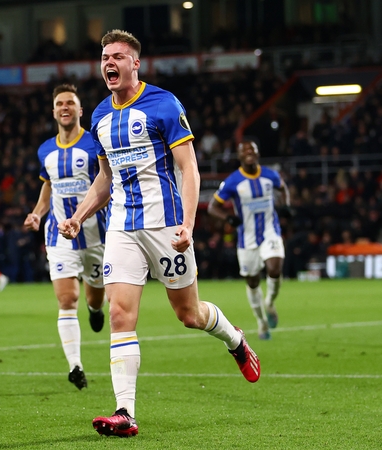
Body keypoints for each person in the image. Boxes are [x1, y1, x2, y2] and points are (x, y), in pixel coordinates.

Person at [58, 29, 260, 438]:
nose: (109, 63)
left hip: (166, 225)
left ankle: (235, 339)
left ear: (136, 62)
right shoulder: (98, 115)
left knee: (189, 314)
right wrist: (80, 214)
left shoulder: (164, 104)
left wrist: (188, 222)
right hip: (122, 227)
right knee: (119, 313)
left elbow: (189, 168)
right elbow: (104, 178)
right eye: (104, 58)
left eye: (117, 56)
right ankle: (125, 412)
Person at [24, 83, 108, 390]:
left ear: (79, 110)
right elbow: (48, 187)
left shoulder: (95, 144)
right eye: (60, 103)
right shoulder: (45, 150)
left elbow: (107, 184)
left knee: (94, 297)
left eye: (70, 103)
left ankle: (96, 309)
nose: (65, 107)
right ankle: (75, 366)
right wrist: (37, 213)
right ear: (54, 111)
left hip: (97, 236)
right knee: (67, 298)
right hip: (60, 238)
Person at [207, 140, 290, 340]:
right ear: (240, 156)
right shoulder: (233, 181)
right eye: (245, 151)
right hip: (247, 239)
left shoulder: (270, 175)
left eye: (252, 149)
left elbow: (283, 188)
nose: (249, 153)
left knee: (274, 268)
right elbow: (212, 207)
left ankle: (269, 302)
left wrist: (286, 205)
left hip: (271, 231)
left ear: (258, 153)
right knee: (252, 281)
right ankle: (261, 322)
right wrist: (228, 217)